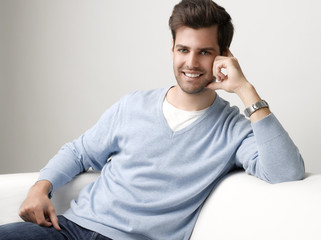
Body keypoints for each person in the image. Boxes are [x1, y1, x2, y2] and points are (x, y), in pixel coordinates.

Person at [0, 0, 305, 239]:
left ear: (224, 56)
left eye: (204, 52)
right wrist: (39, 188)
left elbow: (285, 171)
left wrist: (245, 89)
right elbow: (79, 152)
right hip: (67, 230)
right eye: (183, 49)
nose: (191, 62)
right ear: (172, 49)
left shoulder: (232, 128)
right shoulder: (132, 105)